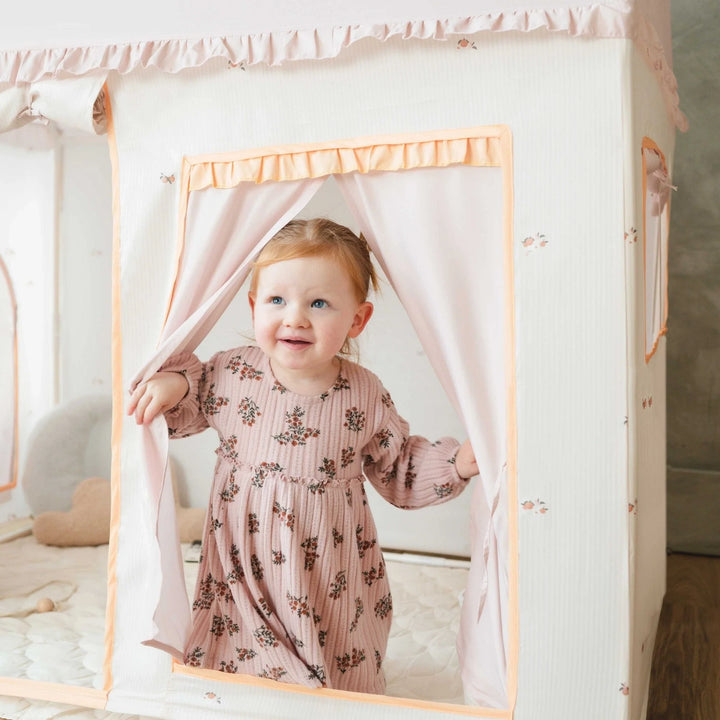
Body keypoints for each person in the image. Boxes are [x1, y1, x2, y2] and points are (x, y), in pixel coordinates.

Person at [128, 218, 479, 694]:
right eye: (277, 300)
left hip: (326, 565)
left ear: (357, 320)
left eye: (318, 303)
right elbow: (187, 404)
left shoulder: (363, 393)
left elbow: (398, 467)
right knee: (239, 659)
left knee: (334, 655)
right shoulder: (232, 373)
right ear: (254, 306)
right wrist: (174, 382)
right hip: (242, 563)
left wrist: (457, 464)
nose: (295, 318)